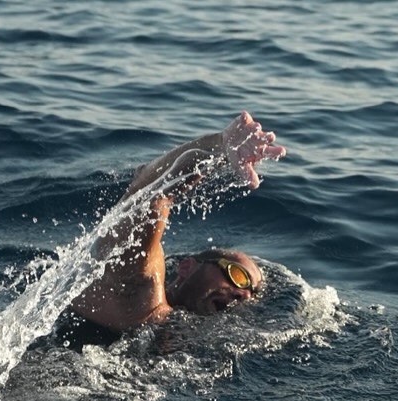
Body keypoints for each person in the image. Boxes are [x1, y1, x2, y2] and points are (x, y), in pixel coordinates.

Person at [68, 111, 286, 334]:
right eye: (237, 276)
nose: (244, 294)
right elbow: (145, 200)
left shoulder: (196, 335)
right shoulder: (140, 299)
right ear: (186, 267)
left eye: (253, 292)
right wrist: (217, 147)